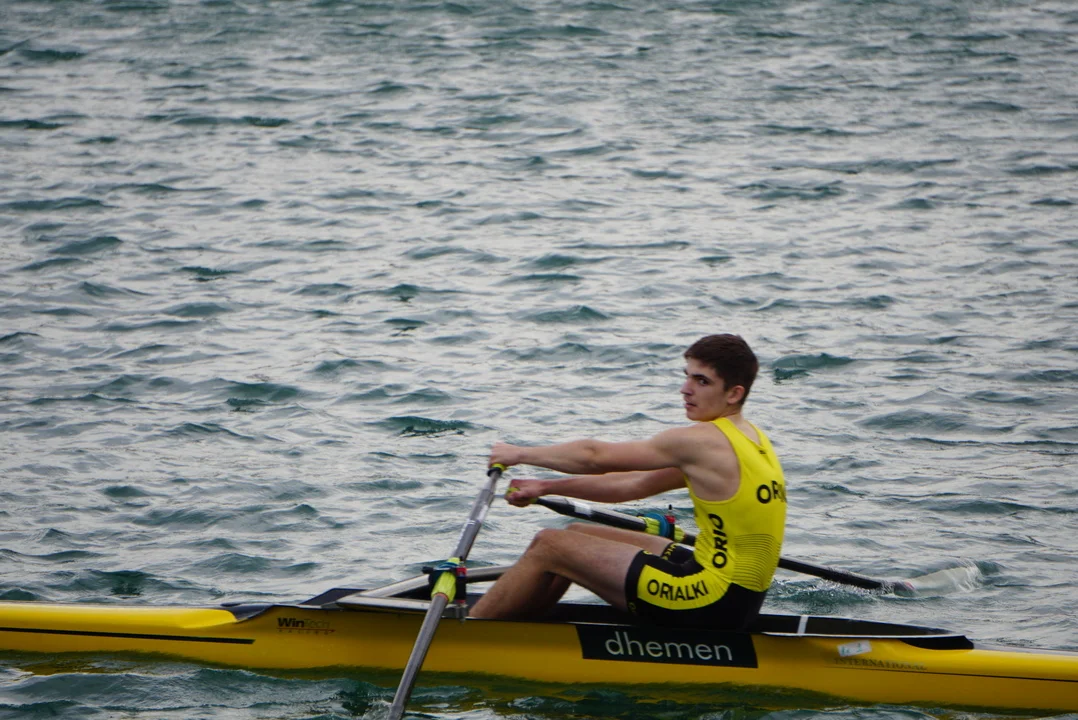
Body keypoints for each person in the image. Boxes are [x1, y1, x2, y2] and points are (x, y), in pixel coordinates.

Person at [469, 334, 786, 630]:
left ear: (734, 393)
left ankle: (471, 635)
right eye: (687, 376)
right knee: (576, 533)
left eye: (702, 381)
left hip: (710, 601)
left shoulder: (703, 441)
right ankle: (525, 629)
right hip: (738, 600)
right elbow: (633, 485)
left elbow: (595, 457)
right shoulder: (752, 438)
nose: (685, 389)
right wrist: (546, 487)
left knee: (549, 545)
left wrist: (520, 453)